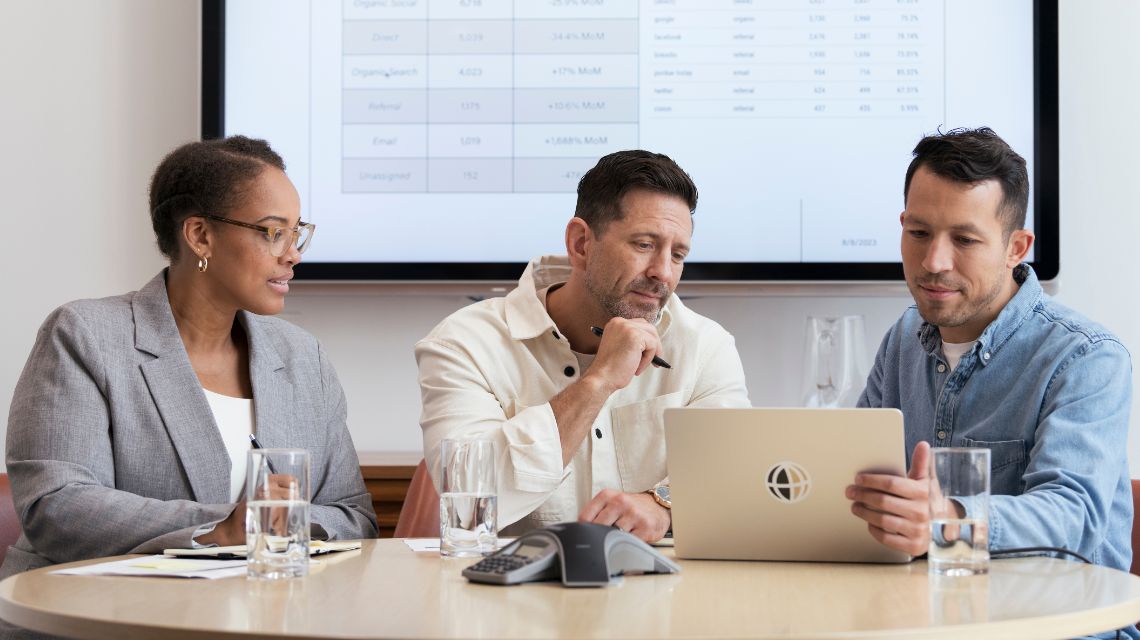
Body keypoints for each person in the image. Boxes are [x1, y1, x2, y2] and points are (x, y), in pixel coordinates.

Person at [2, 136, 378, 584]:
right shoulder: (85, 336)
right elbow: (56, 506)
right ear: (201, 235)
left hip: (260, 618)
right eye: (274, 232)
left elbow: (353, 517)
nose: (293, 253)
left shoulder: (302, 357)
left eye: (297, 233)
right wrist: (221, 526)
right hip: (98, 616)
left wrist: (281, 525)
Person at [848, 129, 1134, 597]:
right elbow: (853, 473)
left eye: (964, 239)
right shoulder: (902, 338)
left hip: (1060, 625)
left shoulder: (1087, 357)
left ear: (1016, 248)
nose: (934, 261)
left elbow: (1074, 519)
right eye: (918, 233)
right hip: (931, 618)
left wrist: (949, 518)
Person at [416, 150, 750, 543]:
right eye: (644, 244)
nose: (663, 272)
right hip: (515, 594)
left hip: (662, 593)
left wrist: (662, 503)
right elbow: (470, 502)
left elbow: (734, 473)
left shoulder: (705, 345)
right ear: (580, 243)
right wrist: (599, 380)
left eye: (678, 255)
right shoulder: (466, 343)